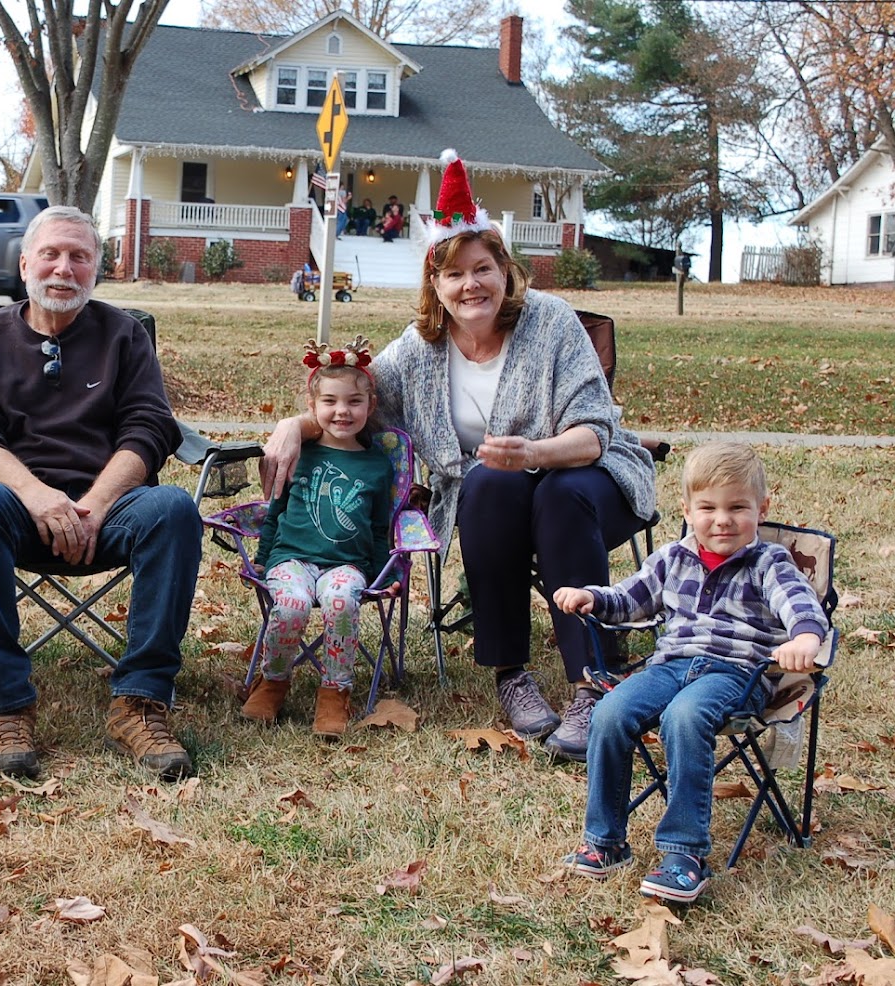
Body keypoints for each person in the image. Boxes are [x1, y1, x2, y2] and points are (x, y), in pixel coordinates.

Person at [261, 150, 656, 761]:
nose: (470, 284)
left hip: (588, 478)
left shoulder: (550, 321)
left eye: (482, 268)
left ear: (505, 270)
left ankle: (591, 683)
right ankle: (511, 675)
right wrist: (295, 422)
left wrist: (533, 451)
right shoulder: (419, 347)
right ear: (436, 287)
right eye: (454, 275)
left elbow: (596, 432)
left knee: (556, 491)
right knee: (487, 487)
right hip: (489, 497)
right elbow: (353, 399)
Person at [0, 205, 202, 782]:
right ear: (25, 263)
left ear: (96, 269)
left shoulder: (123, 336)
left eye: (80, 256)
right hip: (15, 507)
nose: (64, 268)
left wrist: (93, 507)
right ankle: (6, 705)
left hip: (107, 509)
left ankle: (139, 702)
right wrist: (38, 497)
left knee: (174, 508)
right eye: (51, 254)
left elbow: (151, 428)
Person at [557, 442, 827, 904]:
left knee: (684, 718)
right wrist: (593, 598)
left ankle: (685, 855)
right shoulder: (672, 558)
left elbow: (801, 607)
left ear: (762, 509)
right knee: (610, 713)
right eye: (708, 508)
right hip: (671, 664)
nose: (722, 520)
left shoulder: (771, 563)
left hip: (736, 673)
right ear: (686, 509)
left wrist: (804, 638)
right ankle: (605, 842)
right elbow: (629, 599)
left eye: (737, 507)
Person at [242, 338, 394, 739]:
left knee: (342, 600)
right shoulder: (301, 453)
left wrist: (381, 573)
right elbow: (274, 511)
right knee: (290, 604)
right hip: (291, 559)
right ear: (312, 407)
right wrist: (263, 557)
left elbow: (380, 528)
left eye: (353, 402)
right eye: (329, 401)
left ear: (370, 406)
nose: (342, 411)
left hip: (348, 565)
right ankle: (273, 683)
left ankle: (334, 693)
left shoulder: (377, 465)